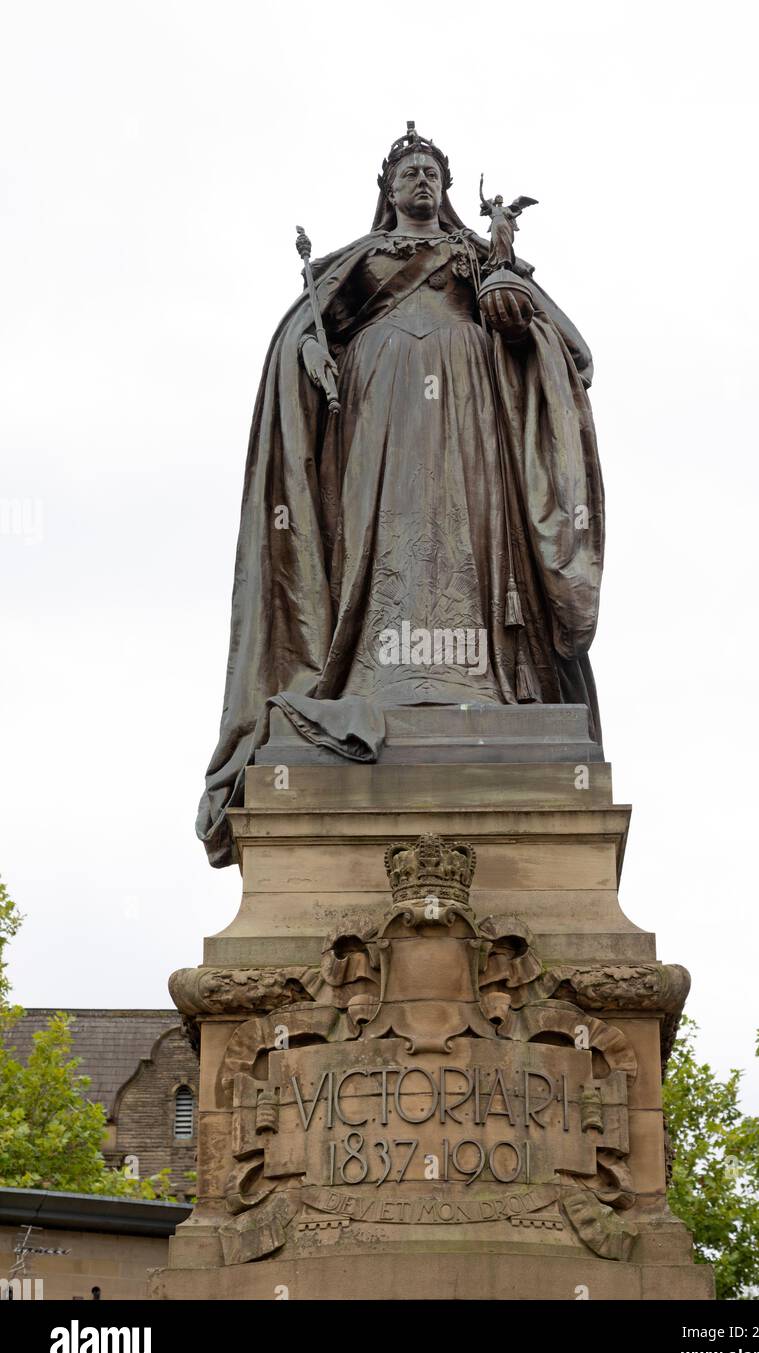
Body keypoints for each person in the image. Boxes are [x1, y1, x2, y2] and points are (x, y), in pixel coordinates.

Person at [198, 123, 605, 867]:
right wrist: (308, 351)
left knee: (467, 533)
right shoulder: (359, 262)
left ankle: (481, 684)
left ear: (447, 191)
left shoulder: (477, 257)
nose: (421, 181)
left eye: (431, 172)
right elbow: (306, 334)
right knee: (379, 538)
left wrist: (514, 314)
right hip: (375, 405)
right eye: (408, 172)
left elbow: (567, 349)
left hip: (469, 407)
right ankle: (366, 674)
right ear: (387, 190)